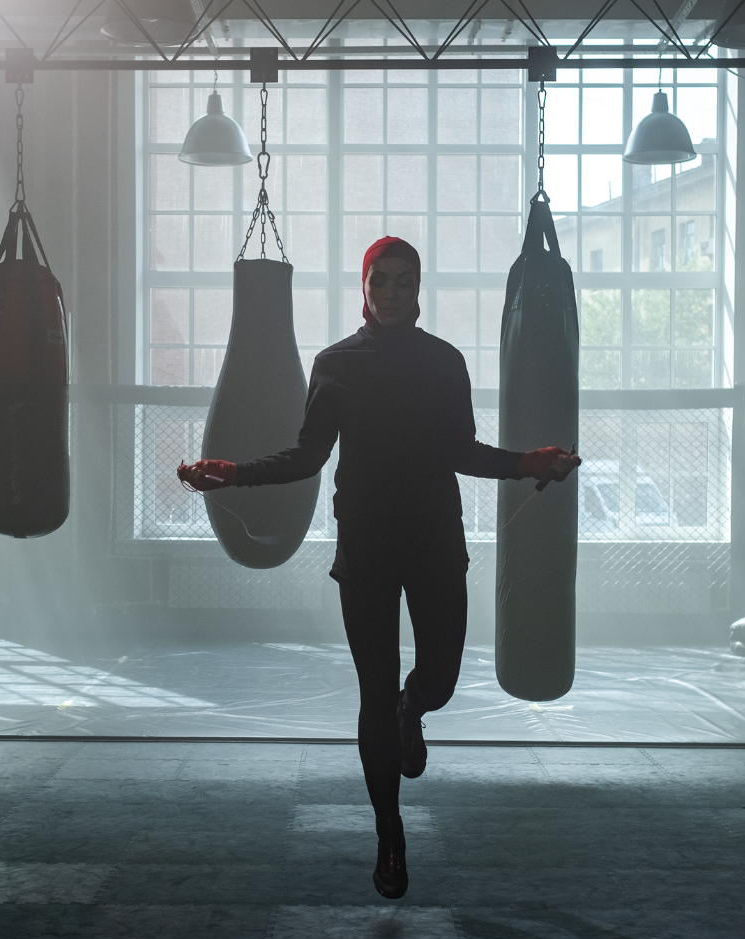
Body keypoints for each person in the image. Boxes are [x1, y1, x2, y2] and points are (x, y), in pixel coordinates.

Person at [178, 236, 580, 900]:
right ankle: (389, 835)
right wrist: (232, 475)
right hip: (365, 547)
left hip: (434, 541)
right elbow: (307, 457)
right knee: (371, 692)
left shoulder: (445, 363)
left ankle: (412, 710)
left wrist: (530, 463)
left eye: (404, 281)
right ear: (364, 287)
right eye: (381, 281)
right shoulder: (336, 364)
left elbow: (461, 450)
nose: (392, 292)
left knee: (441, 678)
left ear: (419, 288)